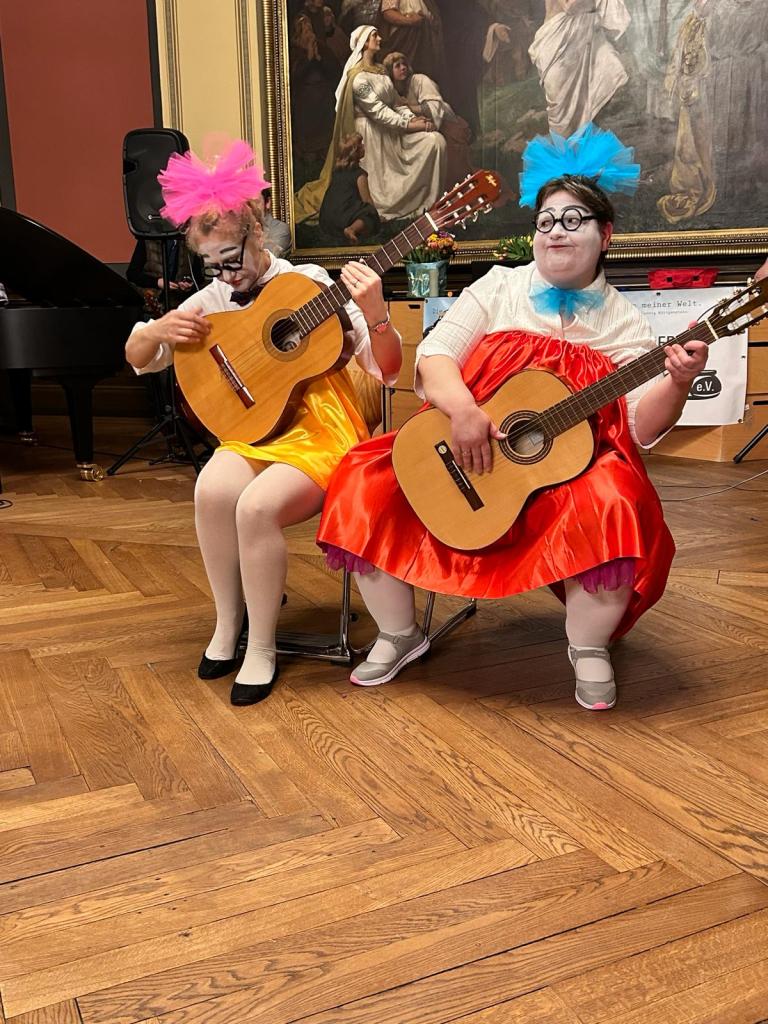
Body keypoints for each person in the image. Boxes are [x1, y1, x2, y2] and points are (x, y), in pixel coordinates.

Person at [316, 123, 709, 711]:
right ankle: (399, 633)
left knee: (616, 499)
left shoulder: (624, 323)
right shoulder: (499, 287)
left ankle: (587, 645)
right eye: (545, 221)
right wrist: (463, 411)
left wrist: (676, 381)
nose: (556, 231)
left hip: (568, 470)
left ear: (605, 234)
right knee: (363, 477)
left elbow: (640, 427)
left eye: (572, 219)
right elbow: (436, 355)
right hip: (464, 444)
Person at [124, 139, 402, 706]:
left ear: (257, 233)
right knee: (211, 490)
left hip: (322, 427)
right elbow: (136, 356)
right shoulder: (214, 297)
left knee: (255, 508)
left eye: (232, 257)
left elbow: (389, 369)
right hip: (258, 428)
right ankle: (229, 623)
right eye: (212, 265)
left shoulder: (308, 283)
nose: (227, 275)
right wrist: (155, 331)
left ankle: (263, 647)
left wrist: (376, 317)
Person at [294, 25, 446, 225]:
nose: (380, 38)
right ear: (365, 42)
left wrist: (413, 118)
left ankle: (426, 202)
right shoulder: (358, 78)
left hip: (392, 131)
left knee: (435, 141)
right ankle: (385, 205)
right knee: (382, 185)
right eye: (375, 36)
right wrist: (411, 126)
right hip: (371, 135)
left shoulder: (381, 71)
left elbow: (396, 104)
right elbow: (380, 113)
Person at [529, 0, 631, 137]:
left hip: (582, 35)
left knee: (611, 69)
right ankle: (566, 145)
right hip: (558, 40)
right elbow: (570, 7)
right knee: (561, 110)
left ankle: (588, 133)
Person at [383, 51, 472, 187]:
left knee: (454, 172)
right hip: (427, 127)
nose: (403, 68)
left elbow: (433, 108)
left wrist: (408, 107)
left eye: (404, 64)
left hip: (447, 126)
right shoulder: (396, 90)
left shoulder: (419, 80)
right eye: (397, 66)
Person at [319, 132, 381, 243]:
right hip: (343, 217)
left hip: (327, 219)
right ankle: (351, 229)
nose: (364, 146)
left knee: (354, 208)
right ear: (355, 152)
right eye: (361, 145)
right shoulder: (360, 175)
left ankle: (347, 227)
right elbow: (366, 199)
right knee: (369, 212)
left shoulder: (336, 171)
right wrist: (375, 215)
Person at [260, 188, 292, 257]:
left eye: (255, 202)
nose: (251, 208)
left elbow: (269, 257)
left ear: (268, 202)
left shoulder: (281, 228)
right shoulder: (240, 229)